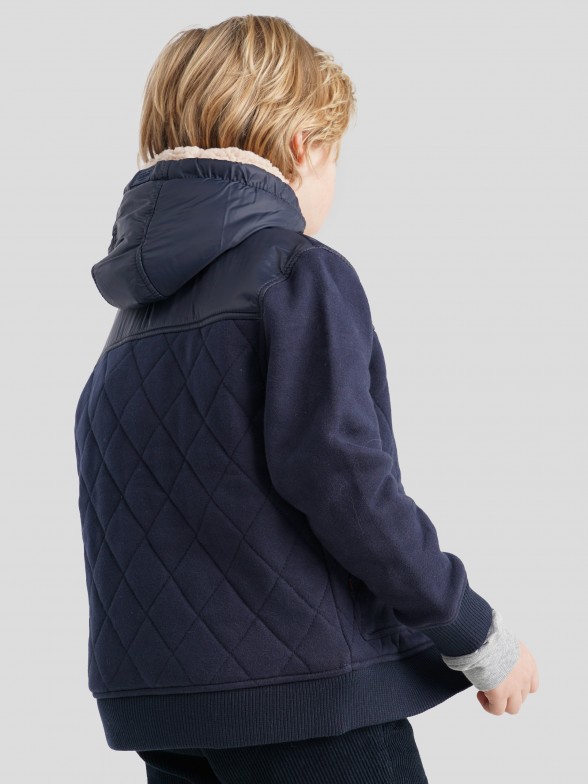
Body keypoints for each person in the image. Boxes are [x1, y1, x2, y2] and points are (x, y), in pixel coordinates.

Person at [73, 14, 539, 784]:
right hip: (310, 709)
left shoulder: (129, 327)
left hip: (165, 714)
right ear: (303, 146)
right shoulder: (294, 274)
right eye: (335, 159)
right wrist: (476, 634)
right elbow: (347, 484)